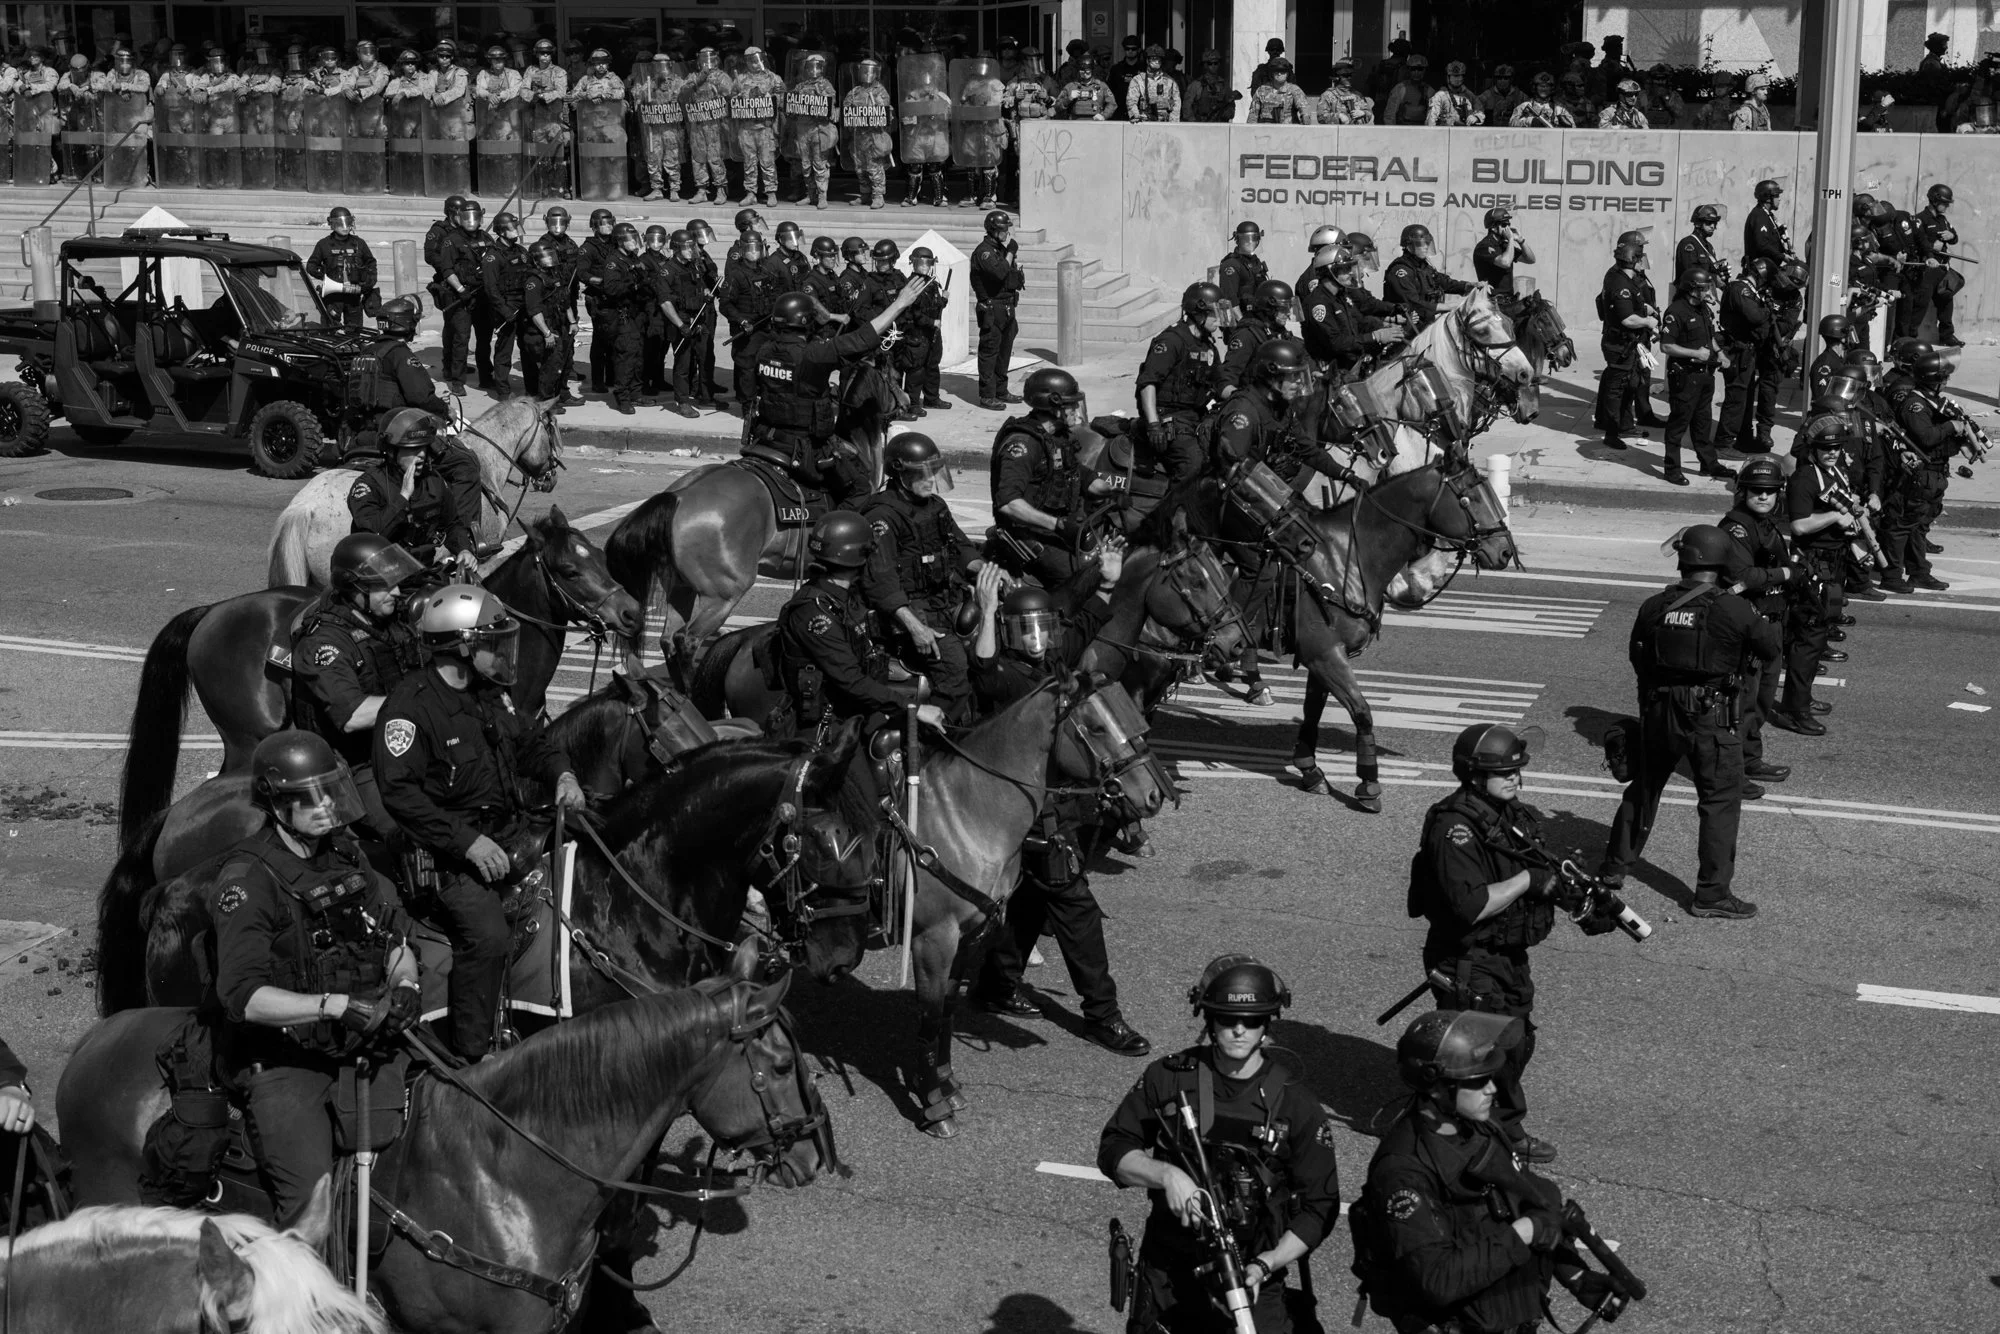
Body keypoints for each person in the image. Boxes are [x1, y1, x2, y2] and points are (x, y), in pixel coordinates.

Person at [212, 730, 420, 1222]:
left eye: (330, 791)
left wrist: (406, 983)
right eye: (310, 797)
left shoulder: (346, 856)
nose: (327, 805)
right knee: (312, 1205)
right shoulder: (247, 880)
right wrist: (332, 1006)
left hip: (364, 1035)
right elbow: (242, 997)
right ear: (275, 803)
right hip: (287, 1060)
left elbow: (392, 940)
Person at [375, 585, 585, 1061]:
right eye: (493, 643)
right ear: (462, 647)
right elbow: (400, 795)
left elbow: (532, 745)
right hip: (446, 853)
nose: (504, 653)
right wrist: (469, 844)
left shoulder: (491, 695)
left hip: (508, 830)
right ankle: (472, 1054)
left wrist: (563, 775)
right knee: (487, 936)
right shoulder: (410, 709)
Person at [1099, 954, 1340, 1333]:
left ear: (1267, 1024)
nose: (1240, 1030)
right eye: (1228, 1020)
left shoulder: (1297, 1106)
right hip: (1169, 1268)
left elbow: (1319, 1207)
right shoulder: (1168, 1078)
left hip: (1251, 1272)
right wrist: (1167, 1175)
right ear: (1209, 1019)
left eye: (1253, 1020)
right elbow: (1114, 1149)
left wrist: (1268, 1264)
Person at [1357, 1011, 1616, 1334]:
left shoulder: (1482, 1129)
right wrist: (1523, 1233)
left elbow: (1528, 1205)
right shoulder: (1404, 1170)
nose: (1492, 1088)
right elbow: (1437, 1280)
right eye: (1477, 1081)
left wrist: (1576, 1276)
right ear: (1438, 1086)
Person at [1599, 526, 1776, 918]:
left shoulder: (1653, 606)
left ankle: (1613, 868)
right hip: (1710, 716)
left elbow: (1637, 657)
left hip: (1660, 709)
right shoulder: (1733, 609)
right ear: (1723, 564)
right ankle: (1711, 895)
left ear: (1683, 560)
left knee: (1644, 789)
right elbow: (1769, 647)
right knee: (1719, 802)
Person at [1410, 724, 1568, 1156]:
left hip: (1504, 952)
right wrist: (1526, 881)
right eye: (1505, 771)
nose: (1515, 777)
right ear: (1474, 774)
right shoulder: (1455, 827)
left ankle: (1501, 1129)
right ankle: (1462, 1138)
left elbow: (1541, 870)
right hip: (1467, 957)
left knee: (1516, 1042)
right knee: (1483, 1051)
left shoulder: (1509, 814)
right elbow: (1472, 905)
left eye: (1518, 769)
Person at [291, 533, 425, 840]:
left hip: (399, 746)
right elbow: (354, 716)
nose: (398, 592)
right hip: (357, 766)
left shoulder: (386, 622)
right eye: (385, 586)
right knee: (408, 833)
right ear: (355, 588)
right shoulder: (323, 643)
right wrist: (424, 699)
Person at [773, 511, 946, 740]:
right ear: (859, 558)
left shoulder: (846, 597)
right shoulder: (815, 614)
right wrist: (913, 709)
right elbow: (850, 680)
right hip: (828, 725)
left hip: (857, 709)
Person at [752, 281, 928, 504]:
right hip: (804, 445)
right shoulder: (813, 354)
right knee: (861, 488)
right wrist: (900, 303)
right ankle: (832, 537)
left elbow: (788, 389)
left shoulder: (763, 351)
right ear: (806, 322)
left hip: (765, 438)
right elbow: (862, 339)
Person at [857, 434, 982, 722]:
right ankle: (934, 739)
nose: (930, 480)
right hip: (907, 613)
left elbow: (961, 546)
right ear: (900, 474)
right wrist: (914, 627)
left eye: (934, 472)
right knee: (954, 668)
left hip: (941, 601)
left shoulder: (935, 506)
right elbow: (881, 582)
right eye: (921, 474)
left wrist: (983, 569)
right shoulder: (883, 516)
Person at [991, 366, 1110, 587]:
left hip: (1060, 529)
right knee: (1081, 580)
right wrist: (1058, 526)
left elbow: (1075, 472)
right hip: (1027, 535)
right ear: (1053, 406)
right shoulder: (1023, 444)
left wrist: (1110, 489)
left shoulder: (1057, 437)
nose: (1076, 408)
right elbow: (1008, 504)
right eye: (1070, 404)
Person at [1719, 457, 1796, 785]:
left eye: (1770, 491)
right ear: (1743, 491)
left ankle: (1749, 758)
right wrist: (1786, 573)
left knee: (1763, 699)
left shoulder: (1769, 523)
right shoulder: (1736, 526)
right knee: (1744, 703)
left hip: (1773, 622)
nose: (1764, 496)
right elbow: (1743, 575)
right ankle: (1737, 770)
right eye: (1756, 491)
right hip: (1750, 625)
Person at [346, 409, 474, 567]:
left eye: (424, 448)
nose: (421, 455)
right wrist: (403, 497)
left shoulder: (433, 482)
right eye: (413, 449)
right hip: (379, 576)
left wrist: (464, 549)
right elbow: (373, 536)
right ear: (392, 451)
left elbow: (452, 524)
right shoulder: (368, 486)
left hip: (422, 572)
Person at [1881, 347, 1961, 594]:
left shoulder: (1935, 402)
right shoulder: (1915, 404)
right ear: (1932, 380)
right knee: (1902, 525)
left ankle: (1919, 572)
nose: (1946, 381)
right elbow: (1925, 437)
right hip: (1920, 474)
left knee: (1919, 526)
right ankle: (1892, 576)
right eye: (1943, 377)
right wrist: (1950, 426)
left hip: (1935, 473)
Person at [1135, 283, 1227, 487]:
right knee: (1193, 465)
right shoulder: (1172, 341)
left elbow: (1221, 383)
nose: (1219, 320)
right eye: (1215, 314)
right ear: (1198, 313)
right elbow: (1147, 383)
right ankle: (1172, 514)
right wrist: (1153, 425)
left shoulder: (1208, 346)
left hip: (1193, 417)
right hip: (1166, 418)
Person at [1658, 266, 1732, 484]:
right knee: (1678, 424)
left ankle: (1709, 464)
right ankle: (1672, 469)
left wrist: (1720, 354)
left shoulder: (1703, 310)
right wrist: (1695, 353)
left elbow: (1711, 337)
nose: (1708, 291)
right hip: (1685, 376)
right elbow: (1666, 347)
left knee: (1703, 423)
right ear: (1692, 289)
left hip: (1705, 375)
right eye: (1703, 288)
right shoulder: (1676, 312)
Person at [1299, 246, 1408, 381]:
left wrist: (1386, 328)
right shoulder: (1318, 304)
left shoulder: (1340, 296)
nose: (1350, 273)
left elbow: (1358, 322)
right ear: (1330, 272)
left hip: (1352, 366)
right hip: (1333, 374)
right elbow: (1336, 343)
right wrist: (1375, 336)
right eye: (1344, 270)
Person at [1717, 257, 1780, 455]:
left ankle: (1743, 438)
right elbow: (1754, 316)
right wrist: (1767, 310)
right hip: (1737, 350)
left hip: (1748, 350)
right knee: (1736, 398)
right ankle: (1724, 442)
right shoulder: (1740, 288)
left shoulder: (1750, 291)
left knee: (1745, 397)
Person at [435, 198, 494, 397]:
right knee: (461, 339)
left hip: (483, 297)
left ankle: (486, 377)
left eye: (475, 217)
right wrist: (461, 289)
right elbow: (447, 269)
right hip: (461, 297)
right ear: (459, 217)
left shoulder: (486, 238)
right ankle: (457, 380)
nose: (471, 221)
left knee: (484, 340)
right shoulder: (452, 239)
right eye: (466, 217)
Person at [720, 228, 783, 403]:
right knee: (746, 367)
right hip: (747, 329)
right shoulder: (735, 275)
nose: (754, 252)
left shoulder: (766, 271)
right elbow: (725, 304)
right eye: (749, 249)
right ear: (742, 250)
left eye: (757, 248)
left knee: (766, 367)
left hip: (765, 326)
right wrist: (741, 320)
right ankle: (747, 406)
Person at [972, 210, 1025, 410]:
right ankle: (987, 395)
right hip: (992, 308)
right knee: (989, 353)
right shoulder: (984, 252)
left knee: (1004, 353)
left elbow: (1011, 276)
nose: (1006, 233)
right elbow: (1000, 271)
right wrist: (1010, 252)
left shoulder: (1000, 251)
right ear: (994, 230)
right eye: (1004, 230)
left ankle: (1001, 390)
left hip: (1007, 307)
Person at [478, 211, 530, 399]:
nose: (516, 230)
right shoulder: (493, 256)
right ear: (501, 231)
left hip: (523, 305)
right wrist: (505, 310)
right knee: (504, 351)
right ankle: (503, 389)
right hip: (505, 307)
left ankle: (531, 386)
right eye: (512, 227)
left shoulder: (521, 251)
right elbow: (491, 289)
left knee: (528, 347)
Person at [894, 244, 951, 413]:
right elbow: (914, 313)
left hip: (932, 334)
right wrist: (931, 322)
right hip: (917, 334)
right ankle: (912, 403)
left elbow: (935, 306)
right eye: (922, 263)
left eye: (928, 263)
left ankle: (931, 398)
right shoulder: (912, 284)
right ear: (914, 263)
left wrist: (944, 299)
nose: (925, 267)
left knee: (932, 365)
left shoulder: (932, 284)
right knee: (916, 370)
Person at [1216, 279, 1294, 399]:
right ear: (1270, 309)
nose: (1288, 314)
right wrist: (1246, 400)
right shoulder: (1247, 335)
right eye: (1284, 309)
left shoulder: (1279, 333)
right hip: (1254, 406)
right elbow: (1226, 379)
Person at [518, 238, 573, 408]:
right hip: (543, 331)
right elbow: (534, 311)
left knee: (563, 364)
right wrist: (546, 333)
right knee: (549, 368)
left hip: (560, 326)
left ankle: (560, 395)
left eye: (551, 255)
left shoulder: (554, 275)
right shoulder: (533, 281)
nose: (549, 260)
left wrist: (572, 321)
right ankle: (546, 402)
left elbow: (565, 301)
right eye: (545, 256)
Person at [1902, 183, 1960, 344]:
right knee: (1921, 303)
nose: (1947, 206)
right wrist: (1930, 246)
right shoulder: (1921, 219)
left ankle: (1947, 335)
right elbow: (1913, 242)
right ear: (1935, 200)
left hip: (1942, 268)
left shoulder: (1943, 220)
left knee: (1946, 301)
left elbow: (1955, 237)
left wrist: (1951, 236)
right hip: (1927, 269)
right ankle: (1910, 338)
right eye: (1945, 203)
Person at [1382, 225, 1472, 327]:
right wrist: (1446, 307)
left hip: (1424, 322)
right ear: (1409, 246)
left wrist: (1470, 286)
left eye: (1427, 243)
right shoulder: (1400, 271)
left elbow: (1444, 282)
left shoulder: (1423, 266)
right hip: (1406, 326)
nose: (1426, 246)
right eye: (1421, 243)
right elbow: (1412, 303)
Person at [305, 208, 376, 330]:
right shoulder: (324, 244)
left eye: (348, 223)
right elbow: (311, 266)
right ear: (332, 225)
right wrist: (325, 275)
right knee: (330, 331)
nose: (345, 227)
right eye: (340, 224)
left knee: (354, 332)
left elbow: (371, 263)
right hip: (333, 297)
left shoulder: (359, 244)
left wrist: (368, 282)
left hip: (353, 296)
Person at [632, 51, 686, 202]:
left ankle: (674, 189)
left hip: (670, 127)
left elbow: (685, 96)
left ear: (670, 64)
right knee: (653, 157)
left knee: (672, 157)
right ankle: (657, 189)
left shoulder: (677, 82)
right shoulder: (649, 82)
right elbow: (638, 97)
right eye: (657, 64)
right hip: (653, 128)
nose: (660, 68)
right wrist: (645, 92)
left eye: (663, 64)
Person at [841, 56, 893, 209]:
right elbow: (846, 110)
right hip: (858, 136)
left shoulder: (880, 91)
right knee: (859, 167)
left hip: (873, 136)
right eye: (863, 70)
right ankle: (864, 194)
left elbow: (884, 110)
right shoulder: (855, 91)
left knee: (874, 167)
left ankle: (878, 196)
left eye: (869, 70)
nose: (866, 74)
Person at [1470, 206, 1534, 312]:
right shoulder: (1484, 246)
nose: (1507, 228)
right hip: (1492, 303)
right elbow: (1505, 262)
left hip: (1508, 301)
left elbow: (1530, 259)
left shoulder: (1505, 245)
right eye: (1504, 225)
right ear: (1493, 227)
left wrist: (1521, 240)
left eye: (1508, 224)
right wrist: (1511, 239)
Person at [1215, 220, 1268, 322]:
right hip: (1239, 323)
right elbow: (1229, 298)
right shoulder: (1231, 264)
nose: (1250, 242)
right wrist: (1242, 322)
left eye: (1254, 239)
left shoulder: (1255, 262)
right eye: (1246, 239)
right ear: (1238, 240)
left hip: (1255, 318)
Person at [1674, 203, 1724, 302]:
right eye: (1709, 223)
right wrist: (1715, 278)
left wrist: (1722, 274)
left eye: (1715, 223)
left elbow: (1713, 271)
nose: (1713, 226)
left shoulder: (1709, 247)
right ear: (1698, 223)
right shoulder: (1688, 244)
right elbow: (1691, 274)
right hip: (1687, 299)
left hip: (1702, 298)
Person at [1806, 314, 1858, 402]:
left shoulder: (1838, 358)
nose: (1850, 338)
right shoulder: (1825, 363)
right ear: (1842, 339)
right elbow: (1821, 397)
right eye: (1848, 335)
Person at [1126, 44, 1180, 122]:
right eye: (1153, 59)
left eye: (1158, 59)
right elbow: (1131, 101)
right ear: (1147, 60)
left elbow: (1176, 104)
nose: (1156, 61)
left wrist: (1173, 123)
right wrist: (1136, 117)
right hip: (1145, 122)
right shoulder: (1138, 80)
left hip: (1165, 123)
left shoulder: (1170, 81)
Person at [1055, 51, 1115, 120]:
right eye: (1082, 70)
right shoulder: (1070, 87)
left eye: (1088, 70)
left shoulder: (1102, 86)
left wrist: (1104, 115)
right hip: (1075, 124)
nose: (1085, 73)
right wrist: (1069, 99)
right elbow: (1057, 106)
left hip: (1096, 123)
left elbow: (1112, 104)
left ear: (1092, 70)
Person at [1744, 178, 1789, 269]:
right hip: (1761, 273)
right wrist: (1782, 257)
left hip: (1770, 269)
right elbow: (1762, 244)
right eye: (1777, 196)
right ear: (1768, 198)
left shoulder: (1768, 215)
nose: (1779, 199)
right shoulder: (1759, 216)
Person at [1247, 58, 1311, 123]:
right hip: (1265, 130)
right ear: (1272, 73)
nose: (1279, 74)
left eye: (1282, 71)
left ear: (1287, 74)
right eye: (1276, 71)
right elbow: (1253, 115)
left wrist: (1305, 118)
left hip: (1288, 131)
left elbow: (1304, 109)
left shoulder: (1294, 90)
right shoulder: (1261, 90)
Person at [1184, 49, 1239, 122]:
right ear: (1205, 65)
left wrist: (1230, 112)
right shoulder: (1196, 85)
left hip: (1220, 126)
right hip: (1201, 125)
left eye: (1216, 63)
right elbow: (1186, 107)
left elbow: (1231, 104)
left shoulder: (1223, 84)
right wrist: (1194, 124)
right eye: (1210, 63)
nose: (1213, 66)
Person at [1425, 60, 1482, 125]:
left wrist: (1476, 117)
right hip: (1445, 132)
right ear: (1448, 78)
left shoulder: (1469, 95)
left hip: (1465, 132)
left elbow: (1480, 109)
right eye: (1454, 76)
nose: (1457, 79)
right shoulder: (1439, 96)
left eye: (1459, 76)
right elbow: (1431, 119)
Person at [1384, 53, 1432, 125]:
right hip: (1403, 130)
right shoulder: (1400, 89)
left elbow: (1432, 118)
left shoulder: (1429, 91)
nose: (1416, 72)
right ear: (1408, 70)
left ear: (1424, 70)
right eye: (1413, 69)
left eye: (1420, 69)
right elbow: (1389, 115)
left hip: (1422, 131)